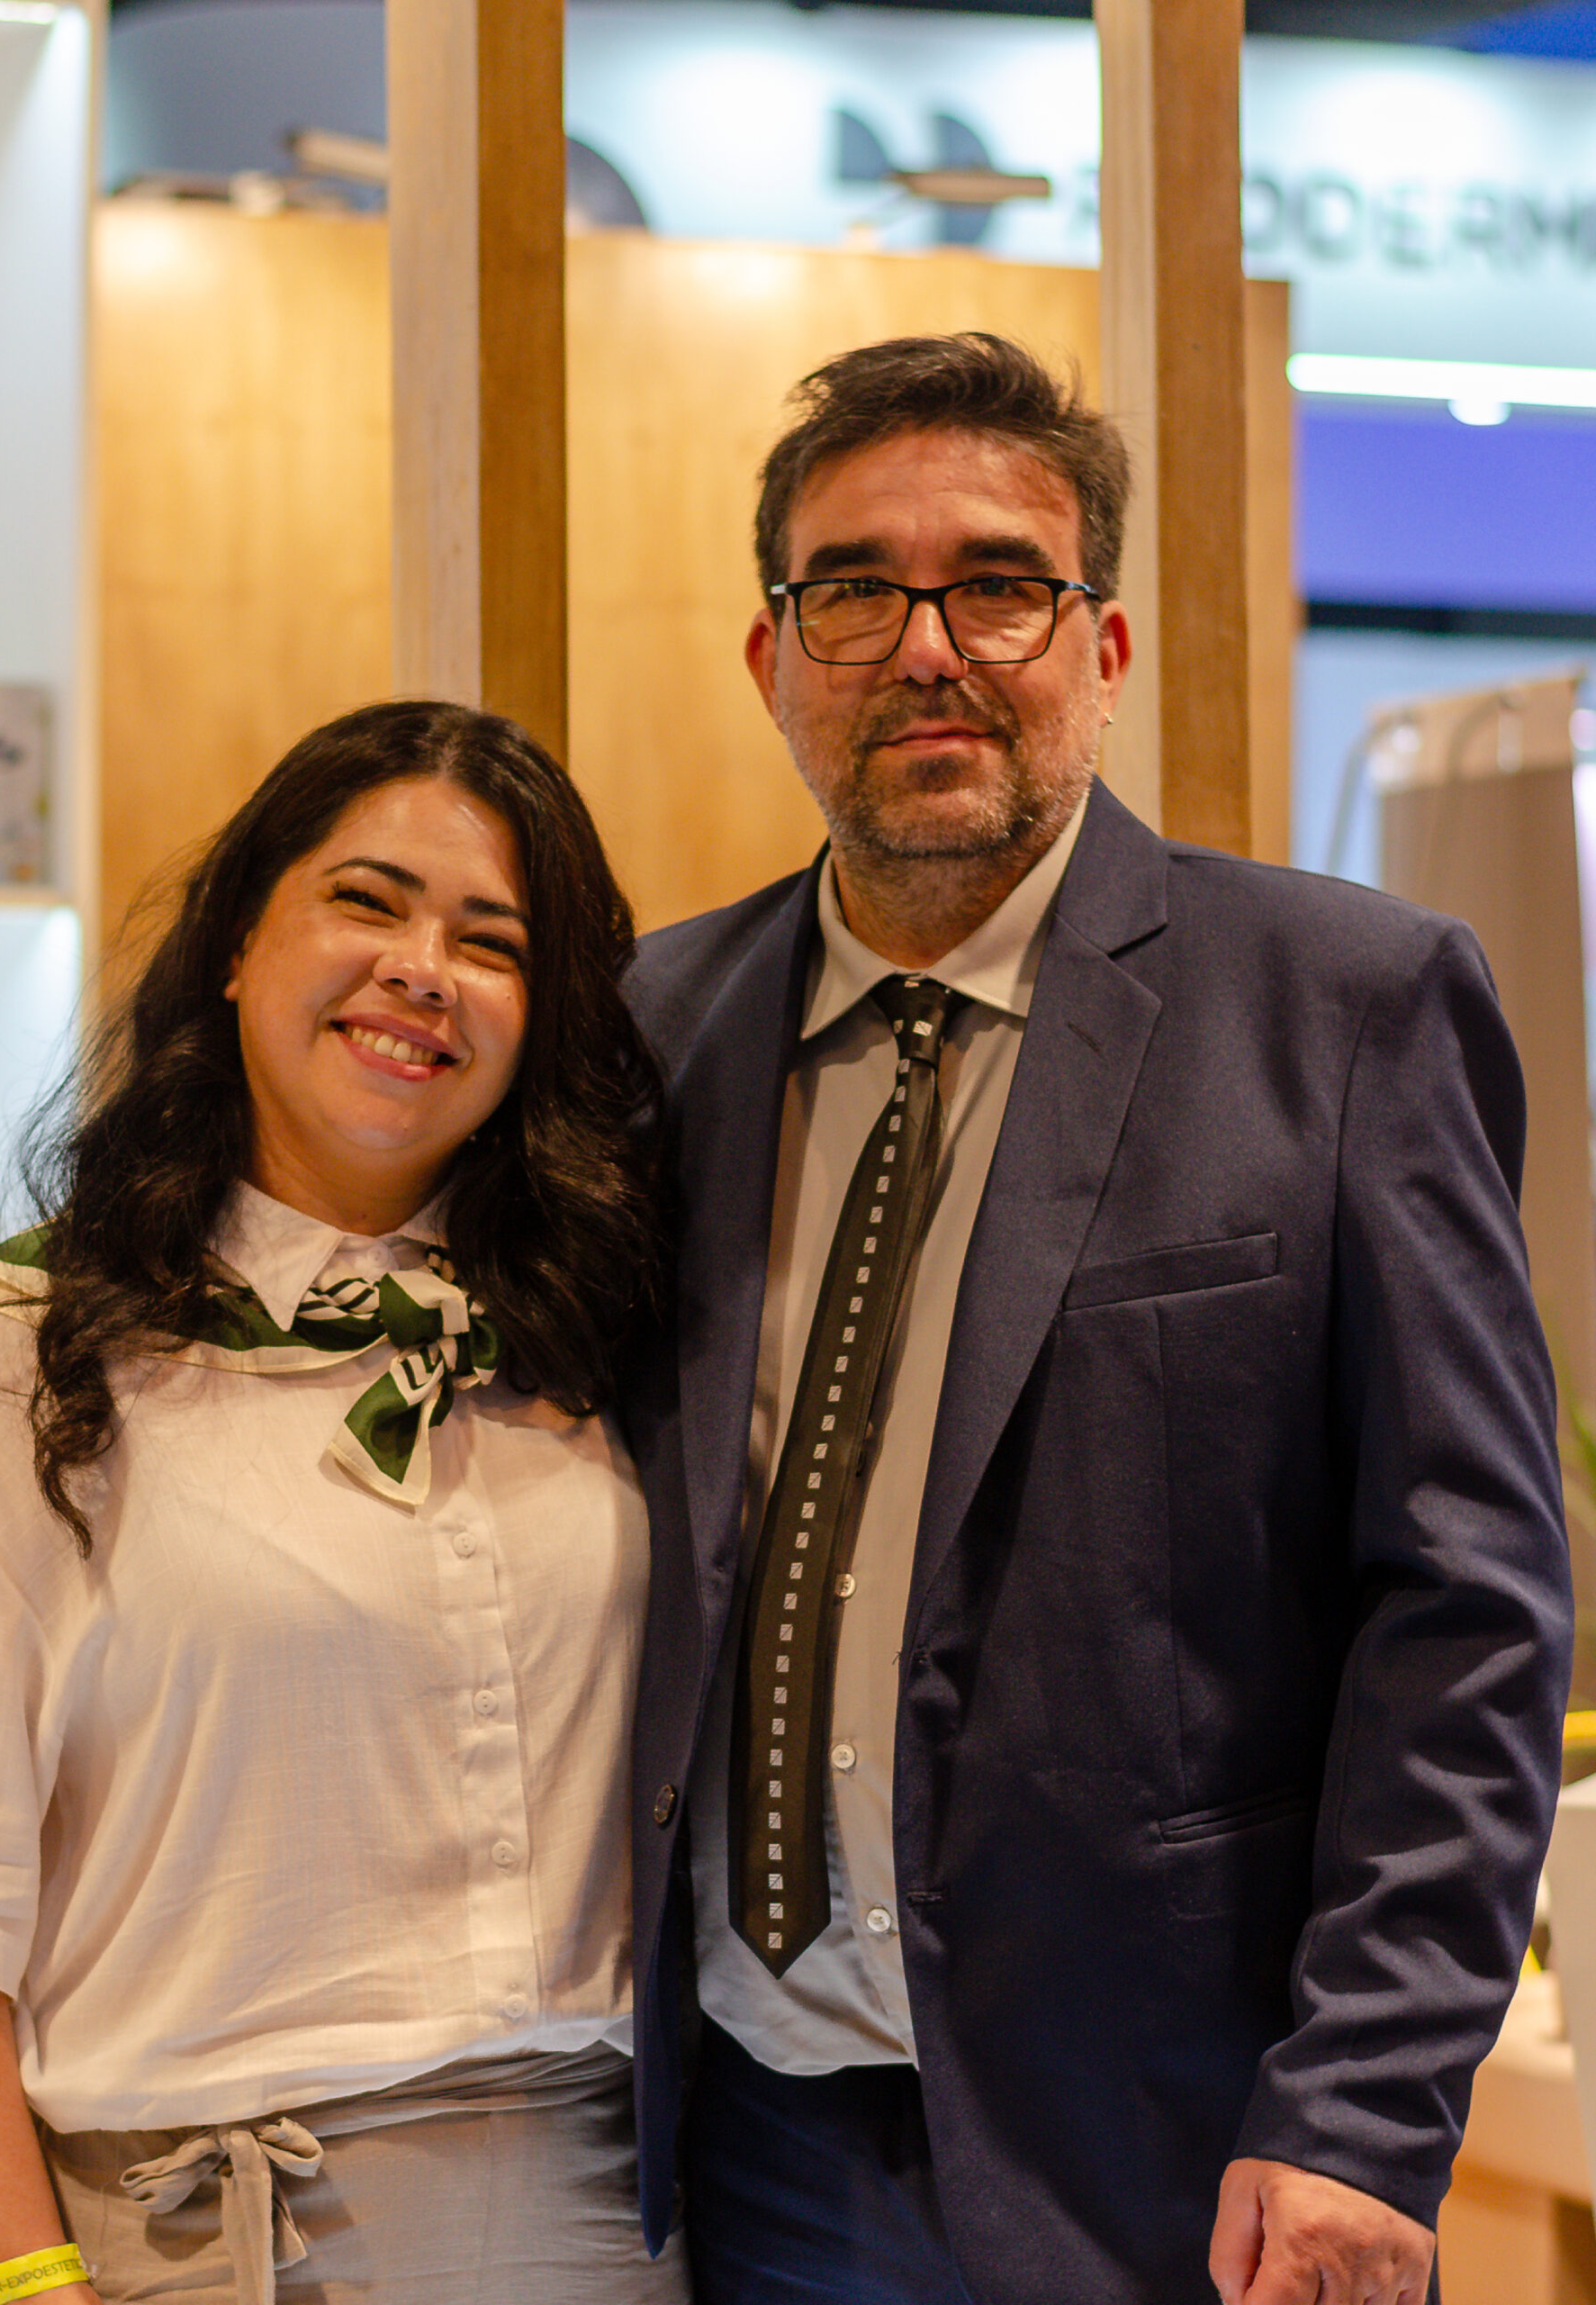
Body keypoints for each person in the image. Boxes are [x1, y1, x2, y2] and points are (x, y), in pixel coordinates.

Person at [621, 334, 1573, 2305]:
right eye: (856, 591)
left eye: (998, 584)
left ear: (1104, 646)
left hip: (1169, 2152)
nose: (927, 649)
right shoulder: (653, 1033)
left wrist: (1364, 2101)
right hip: (744, 2144)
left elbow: (1465, 1607)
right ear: (773, 656)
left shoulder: (1340, 1005)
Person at [0, 701, 689, 2305]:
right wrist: (20, 2280)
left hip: (612, 2237)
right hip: (206, 2247)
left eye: (493, 942)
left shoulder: (606, 1339)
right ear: (240, 944)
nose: (422, 970)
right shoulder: (33, 1353)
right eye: (367, 901)